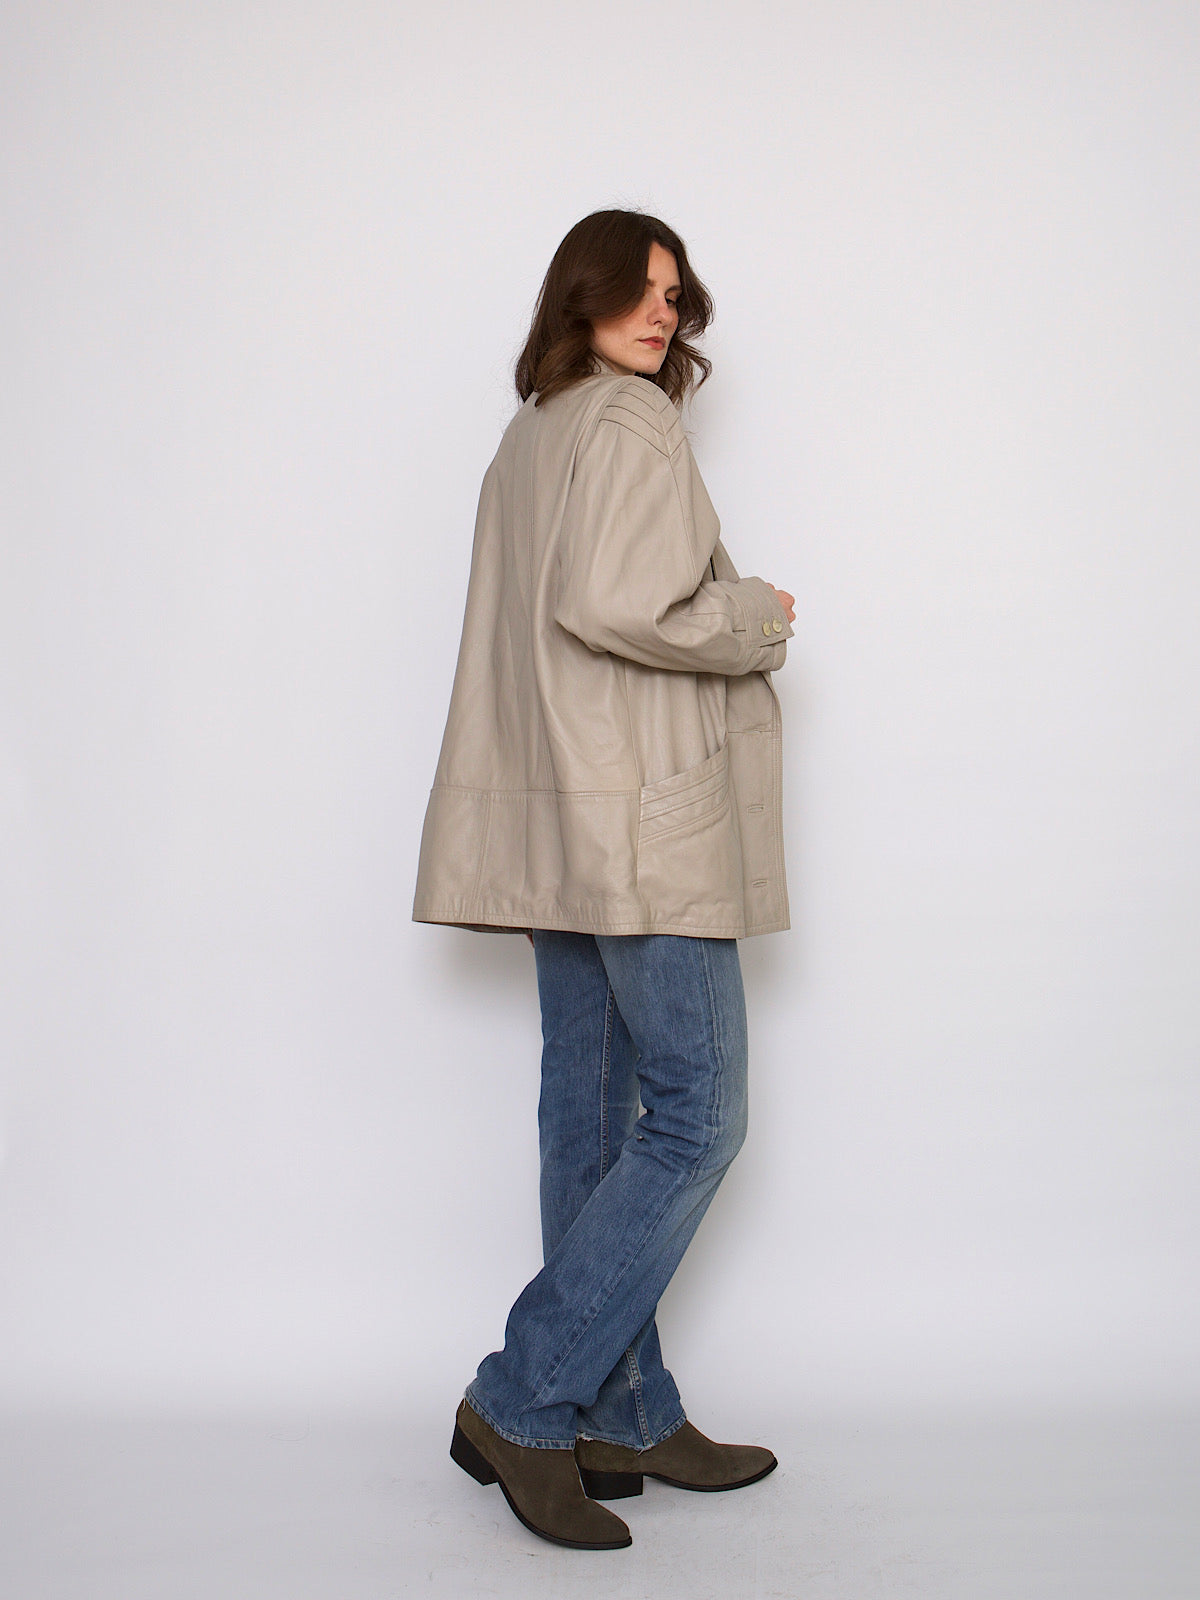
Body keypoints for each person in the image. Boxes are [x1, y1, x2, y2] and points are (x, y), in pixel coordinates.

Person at [412, 209, 795, 1551]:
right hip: (641, 821)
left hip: (565, 823)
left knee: (588, 1107)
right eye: (639, 287)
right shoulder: (631, 423)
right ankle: (524, 1397)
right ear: (581, 294)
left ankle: (622, 1410)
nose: (661, 313)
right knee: (697, 1116)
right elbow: (620, 605)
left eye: (676, 296)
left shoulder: (532, 433)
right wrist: (755, 616)